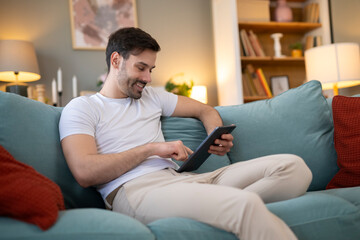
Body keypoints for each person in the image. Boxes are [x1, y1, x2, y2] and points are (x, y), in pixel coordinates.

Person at [59, 27, 312, 240]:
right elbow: (84, 171)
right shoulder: (83, 108)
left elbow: (205, 109)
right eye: (141, 67)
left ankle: (218, 207)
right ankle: (227, 207)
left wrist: (216, 135)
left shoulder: (153, 96)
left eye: (152, 69)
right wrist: (152, 149)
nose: (147, 77)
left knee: (293, 168)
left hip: (181, 181)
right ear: (116, 61)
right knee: (245, 205)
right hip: (135, 192)